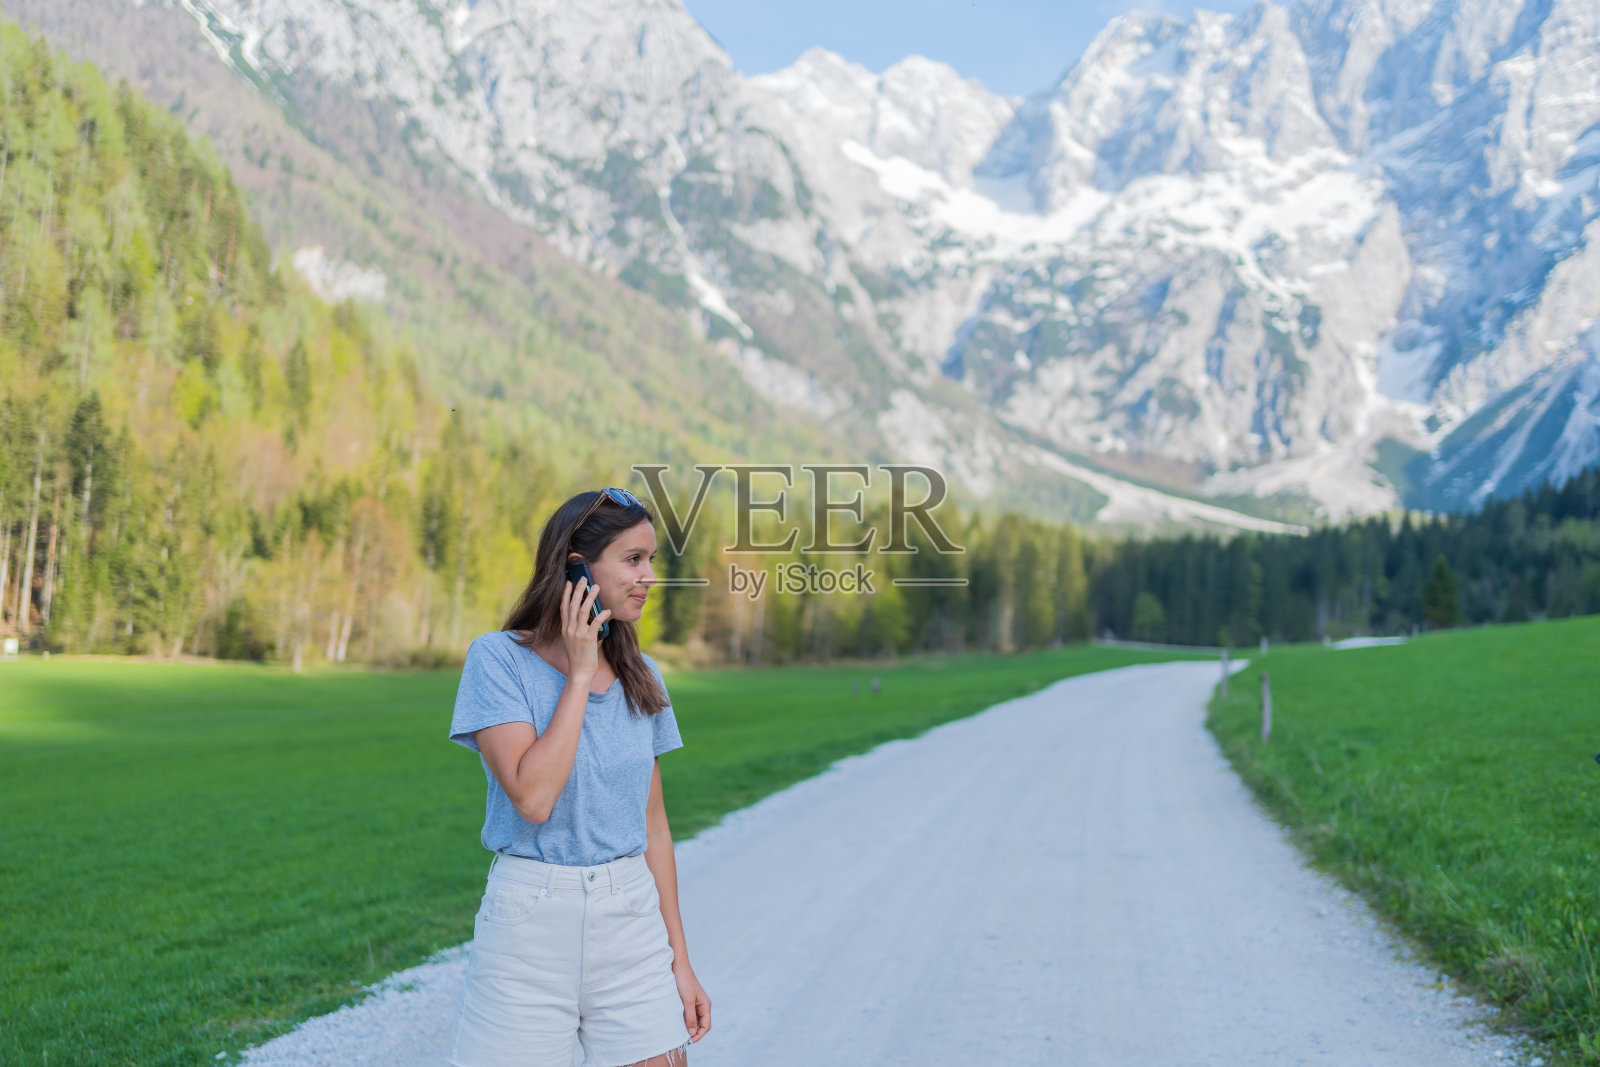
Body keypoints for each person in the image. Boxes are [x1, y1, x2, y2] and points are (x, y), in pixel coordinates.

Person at [446, 487, 711, 1066]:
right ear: (575, 567)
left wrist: (680, 962)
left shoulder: (645, 676)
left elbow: (655, 827)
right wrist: (579, 673)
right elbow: (534, 798)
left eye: (652, 561)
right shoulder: (497, 660)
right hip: (529, 926)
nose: (649, 577)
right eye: (632, 559)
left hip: (632, 924)